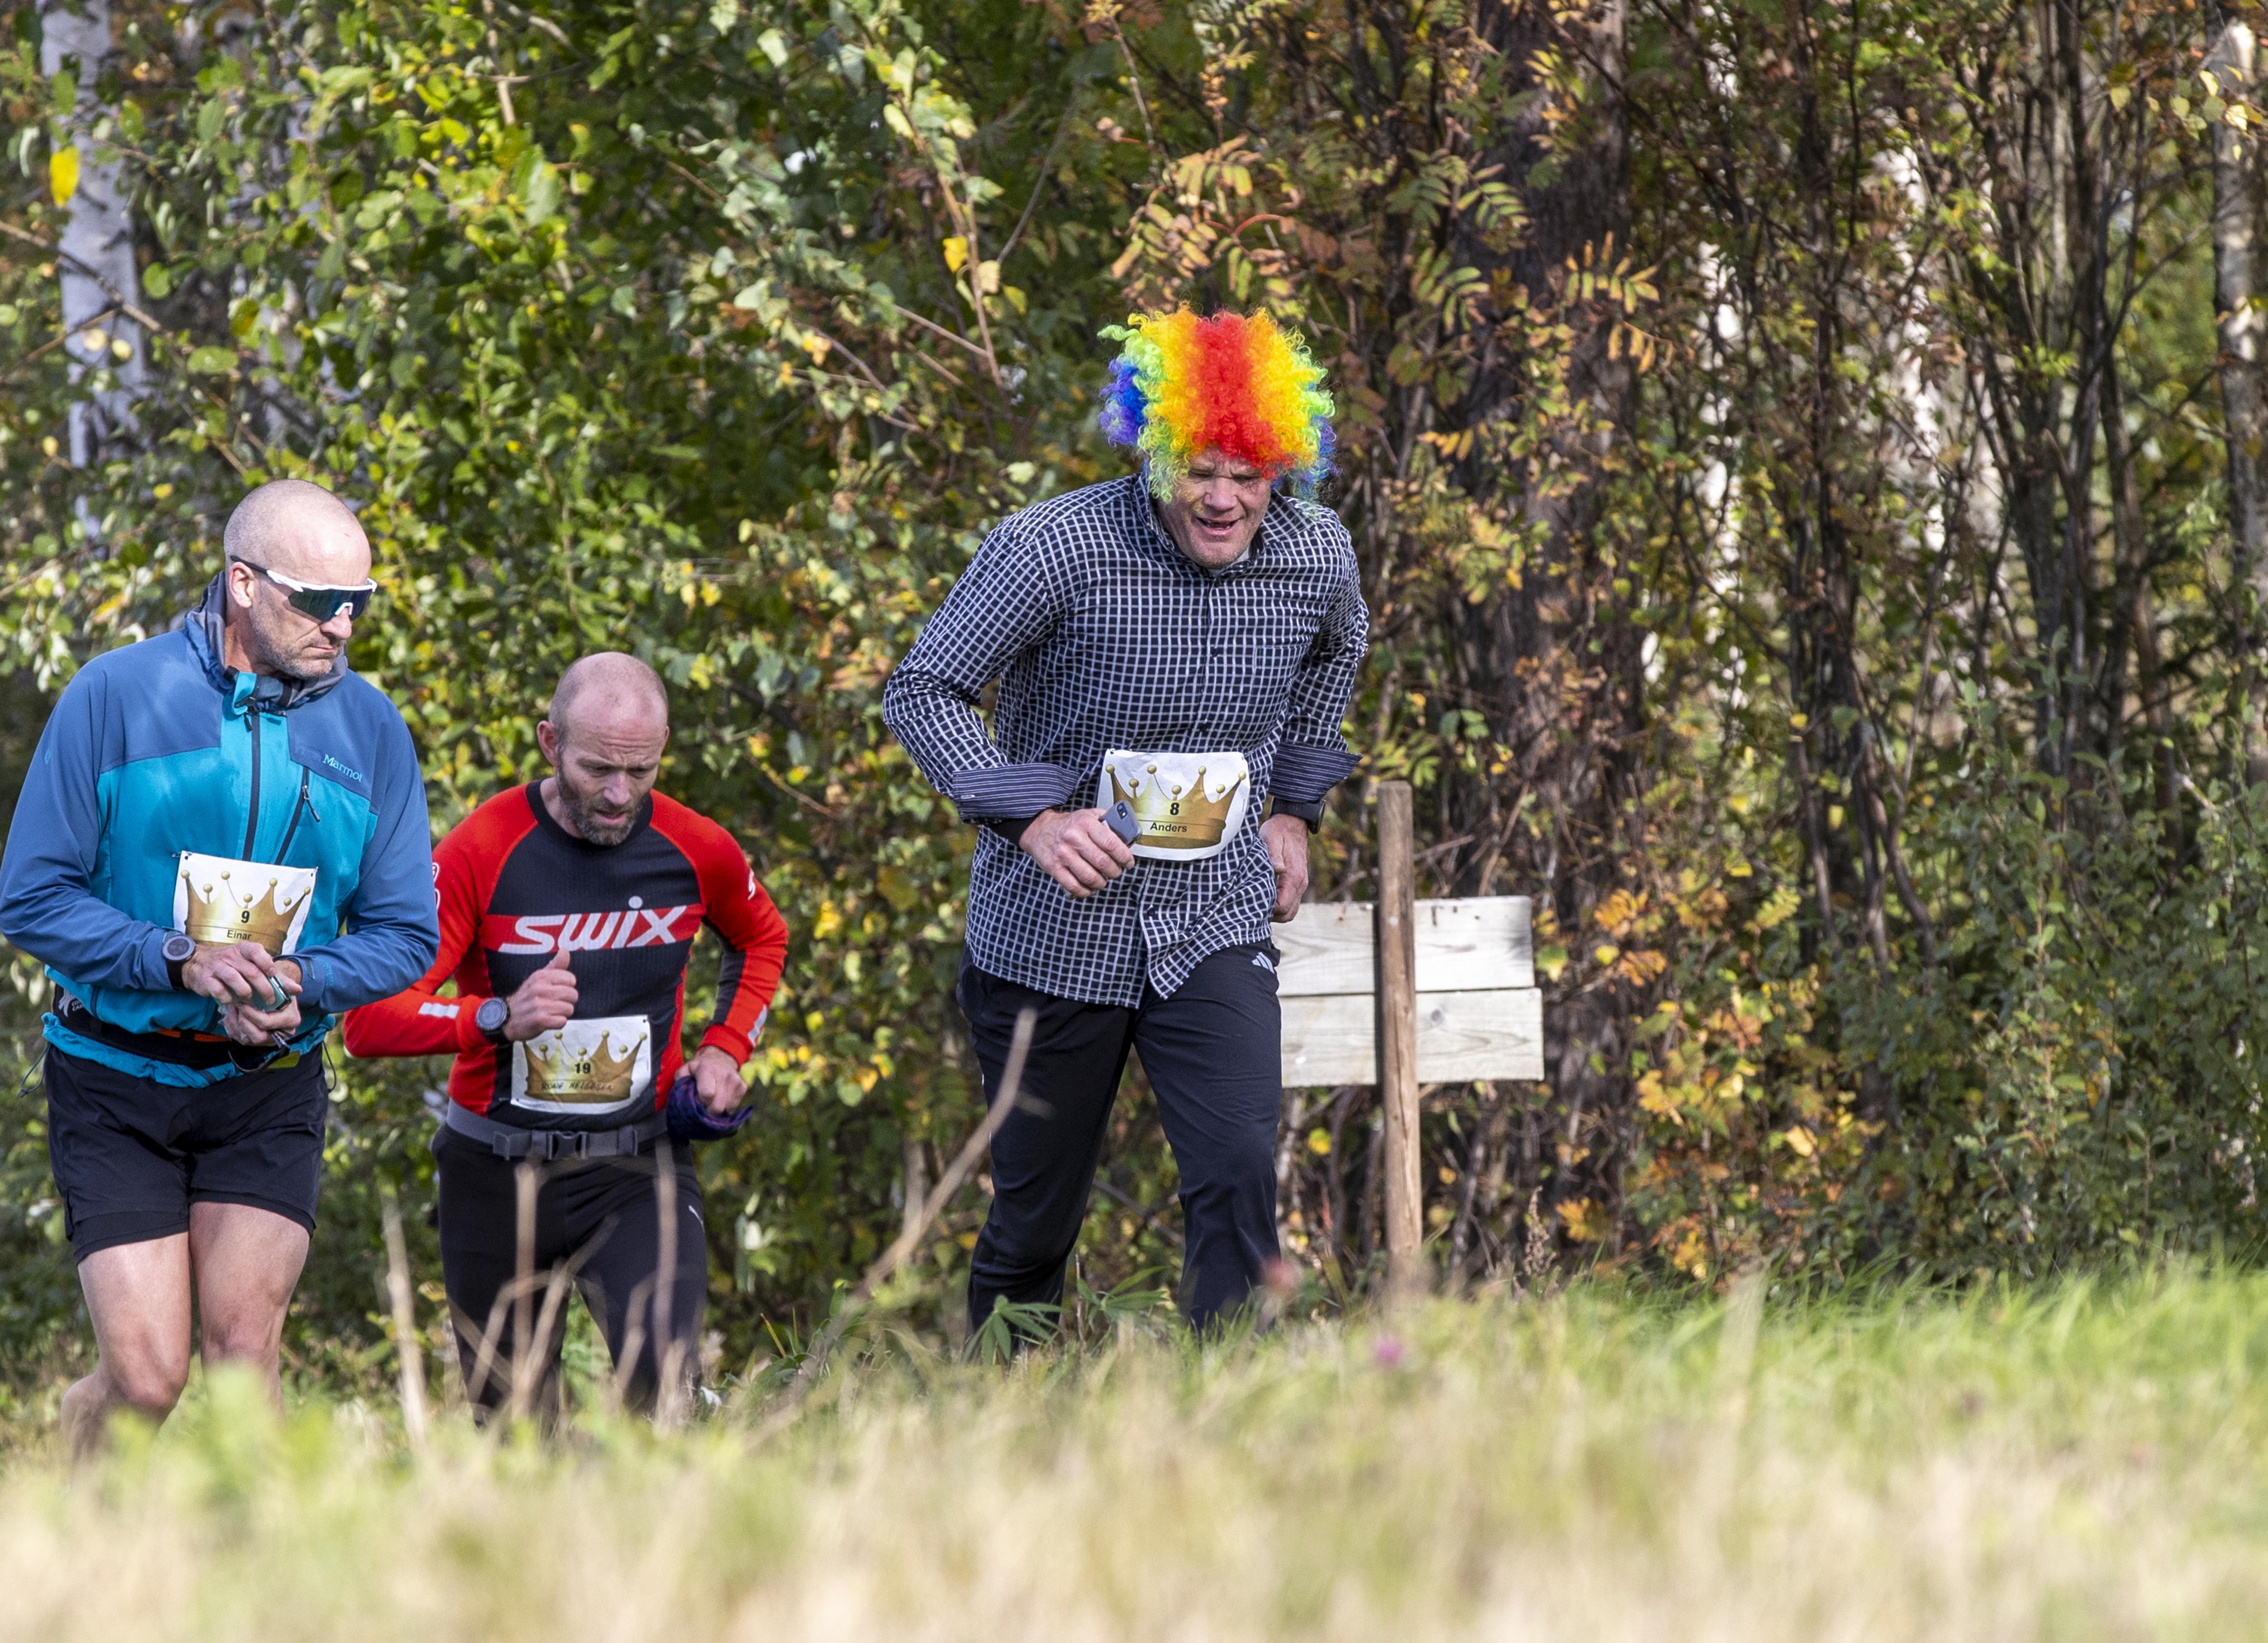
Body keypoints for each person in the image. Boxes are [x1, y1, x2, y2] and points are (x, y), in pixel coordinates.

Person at [883, 307, 1369, 1336]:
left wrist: (1293, 809)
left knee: (1238, 1175)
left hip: (1215, 915)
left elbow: (1338, 654)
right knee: (1035, 1217)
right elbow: (922, 691)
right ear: (1150, 451)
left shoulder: (1317, 554)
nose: (1224, 499)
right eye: (1198, 469)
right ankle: (1009, 1410)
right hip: (1050, 936)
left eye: (1248, 474)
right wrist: (1035, 821)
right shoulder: (1052, 547)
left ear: (1286, 463)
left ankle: (1228, 1413)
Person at [0, 479, 439, 1461]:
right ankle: (90, 1510)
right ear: (243, 584)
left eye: (360, 602)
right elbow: (30, 895)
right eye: (319, 601)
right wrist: (176, 960)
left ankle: (268, 1592)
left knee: (245, 1358)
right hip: (116, 1075)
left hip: (268, 1085)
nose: (344, 625)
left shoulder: (371, 730)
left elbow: (408, 932)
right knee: (149, 1381)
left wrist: (299, 985)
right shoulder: (115, 695)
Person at [342, 653, 788, 1416]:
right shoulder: (483, 848)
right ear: (550, 743)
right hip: (496, 1170)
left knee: (663, 1387)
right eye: (596, 770)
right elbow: (368, 1018)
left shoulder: (696, 846)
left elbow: (762, 940)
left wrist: (726, 1046)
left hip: (637, 1163)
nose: (619, 797)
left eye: (640, 772)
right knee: (511, 1426)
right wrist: (495, 1018)